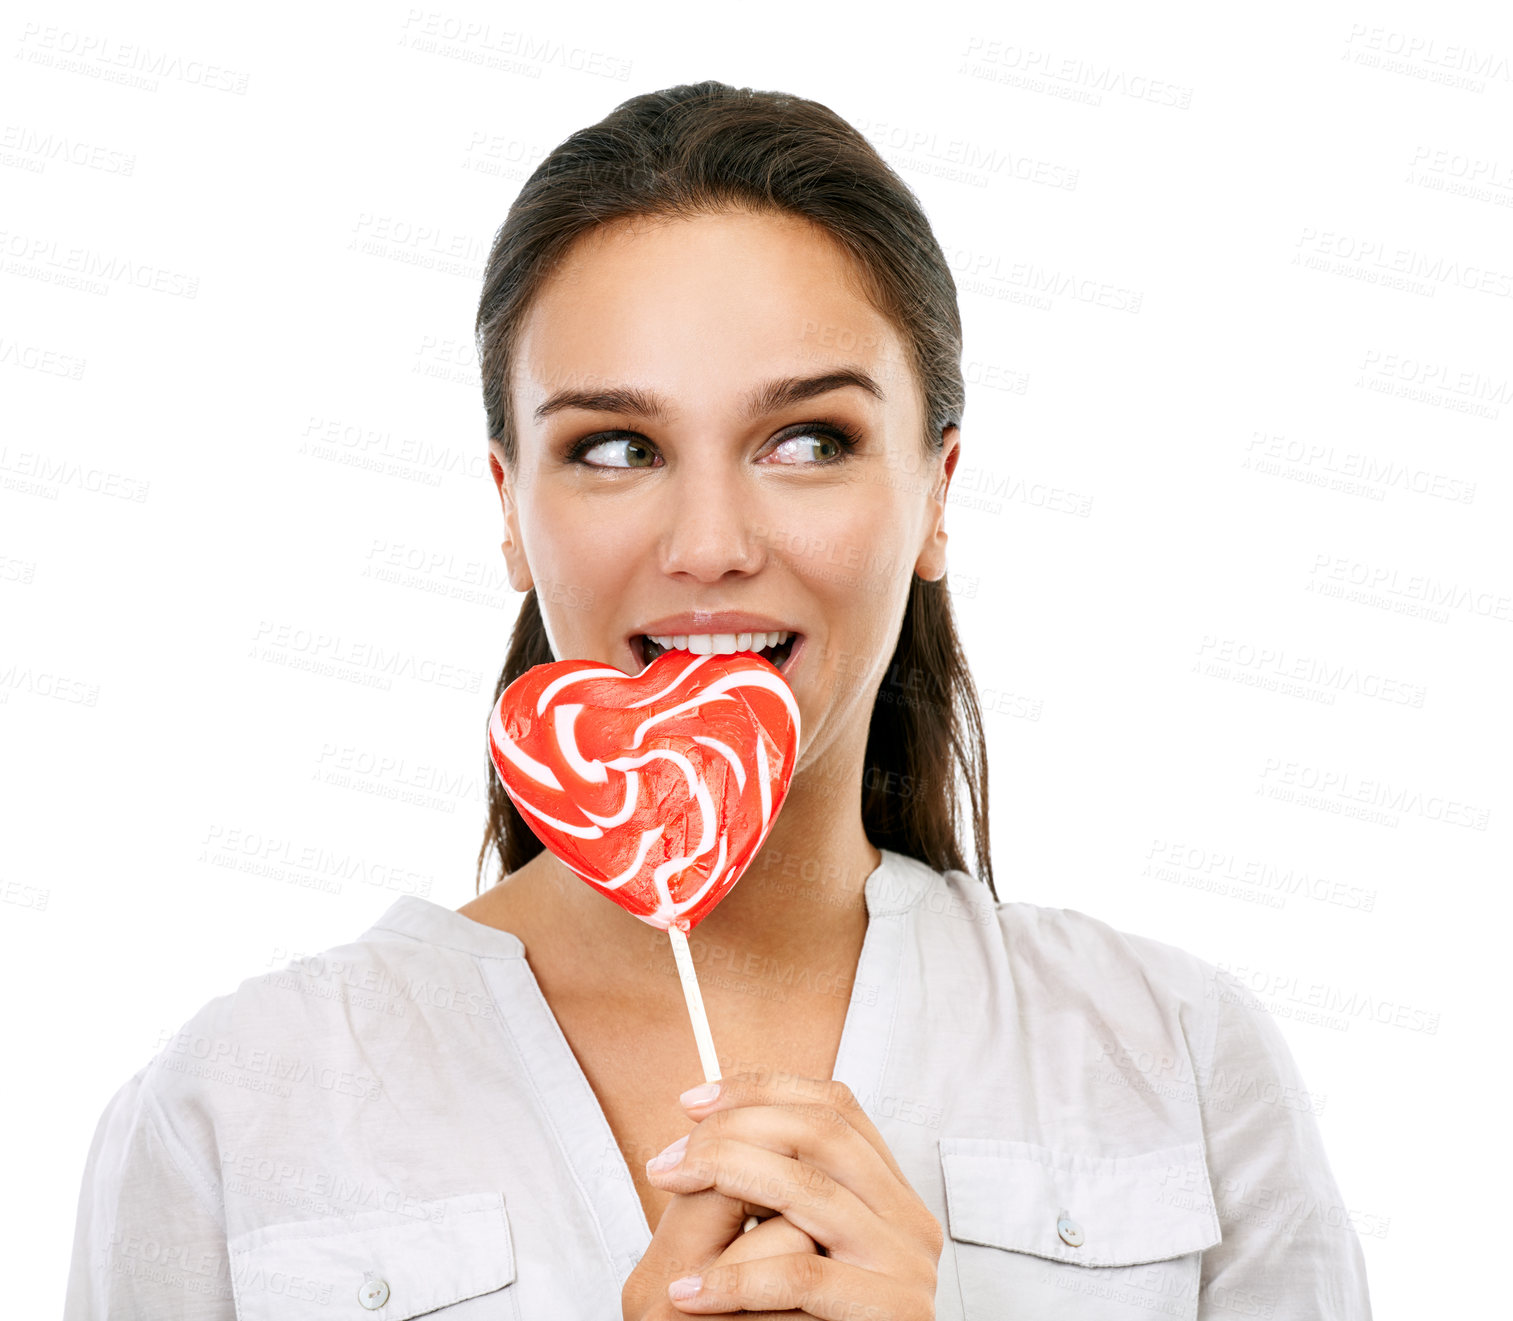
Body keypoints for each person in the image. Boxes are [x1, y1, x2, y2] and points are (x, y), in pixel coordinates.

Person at [63, 80, 1373, 1319]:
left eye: (806, 439)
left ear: (937, 492)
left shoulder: (1179, 1060)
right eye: (613, 448)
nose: (707, 544)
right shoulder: (234, 1111)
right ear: (510, 510)